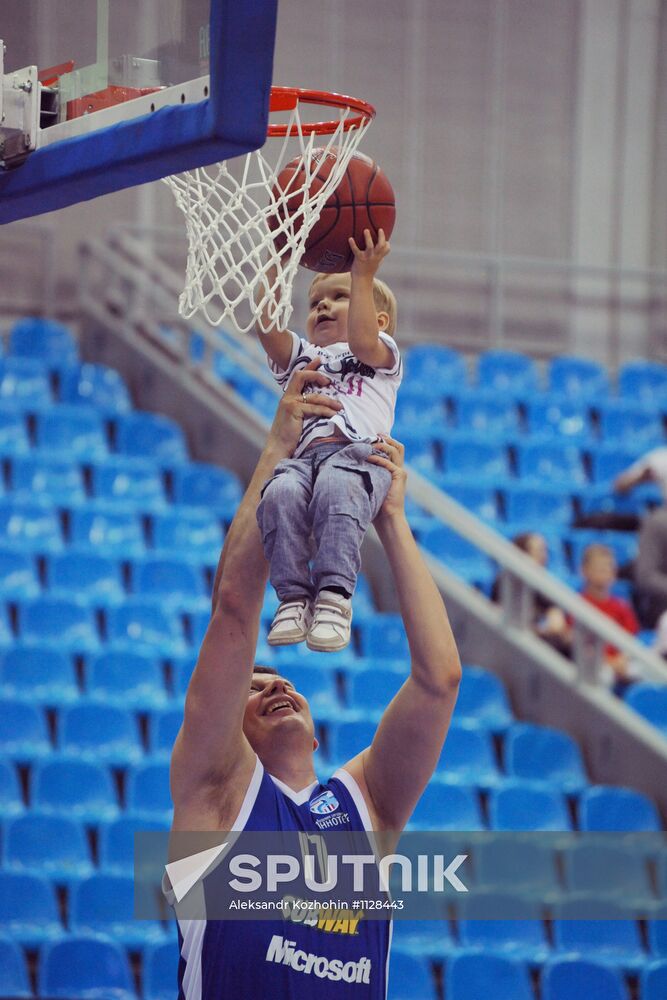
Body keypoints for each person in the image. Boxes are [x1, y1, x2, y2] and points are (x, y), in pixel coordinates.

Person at [163, 364, 461, 998]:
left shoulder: (364, 809)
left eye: (285, 684)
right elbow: (236, 612)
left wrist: (391, 518)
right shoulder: (216, 794)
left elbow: (440, 682)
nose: (274, 687)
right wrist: (277, 454)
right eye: (254, 687)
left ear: (318, 732)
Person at [254, 228, 401, 651]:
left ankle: (335, 597)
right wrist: (280, 260)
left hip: (358, 456)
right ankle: (293, 597)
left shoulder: (381, 354)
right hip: (304, 460)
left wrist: (363, 274)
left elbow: (361, 338)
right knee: (279, 492)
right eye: (316, 302)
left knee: (339, 485)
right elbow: (267, 324)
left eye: (340, 297)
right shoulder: (305, 355)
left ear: (380, 320)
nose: (322, 305)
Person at [491, 532, 572, 657]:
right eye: (538, 551)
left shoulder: (543, 583)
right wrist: (542, 629)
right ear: (522, 553)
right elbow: (507, 621)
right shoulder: (505, 582)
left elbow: (557, 622)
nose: (544, 557)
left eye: (545, 551)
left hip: (543, 644)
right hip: (516, 647)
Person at [578, 543, 640, 689]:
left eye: (609, 567)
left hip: (622, 663)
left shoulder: (621, 606)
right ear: (584, 571)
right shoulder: (577, 605)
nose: (605, 572)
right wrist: (610, 662)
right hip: (595, 666)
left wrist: (622, 659)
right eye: (599, 568)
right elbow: (581, 646)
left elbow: (631, 640)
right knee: (604, 676)